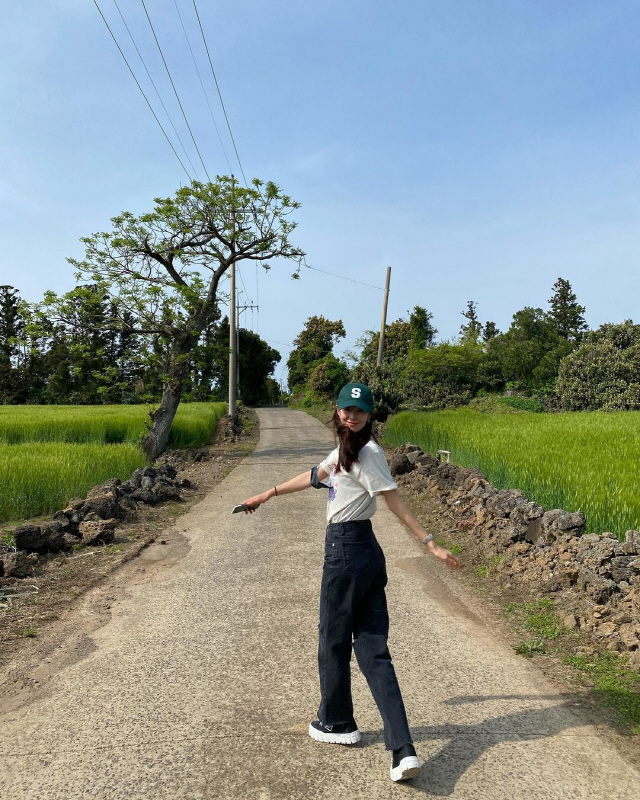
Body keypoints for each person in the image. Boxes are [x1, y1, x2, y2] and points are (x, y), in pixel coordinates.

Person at [241, 382, 460, 782]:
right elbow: (315, 476)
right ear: (338, 410)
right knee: (373, 650)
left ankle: (337, 722)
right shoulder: (345, 447)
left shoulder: (369, 452)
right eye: (347, 409)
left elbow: (393, 501)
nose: (352, 416)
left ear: (370, 415)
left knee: (334, 639)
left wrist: (431, 545)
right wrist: (266, 494)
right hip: (364, 553)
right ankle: (403, 751)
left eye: (360, 411)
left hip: (347, 549)